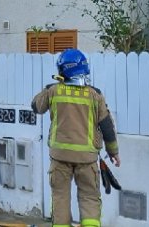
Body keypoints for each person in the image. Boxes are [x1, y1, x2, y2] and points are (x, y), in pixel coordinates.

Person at [31, 48, 120, 227]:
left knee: (60, 196)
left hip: (60, 156)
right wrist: (113, 152)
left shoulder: (53, 91)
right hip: (87, 158)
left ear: (62, 70)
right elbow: (107, 127)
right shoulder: (96, 95)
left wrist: (48, 88)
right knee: (89, 197)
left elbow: (36, 107)